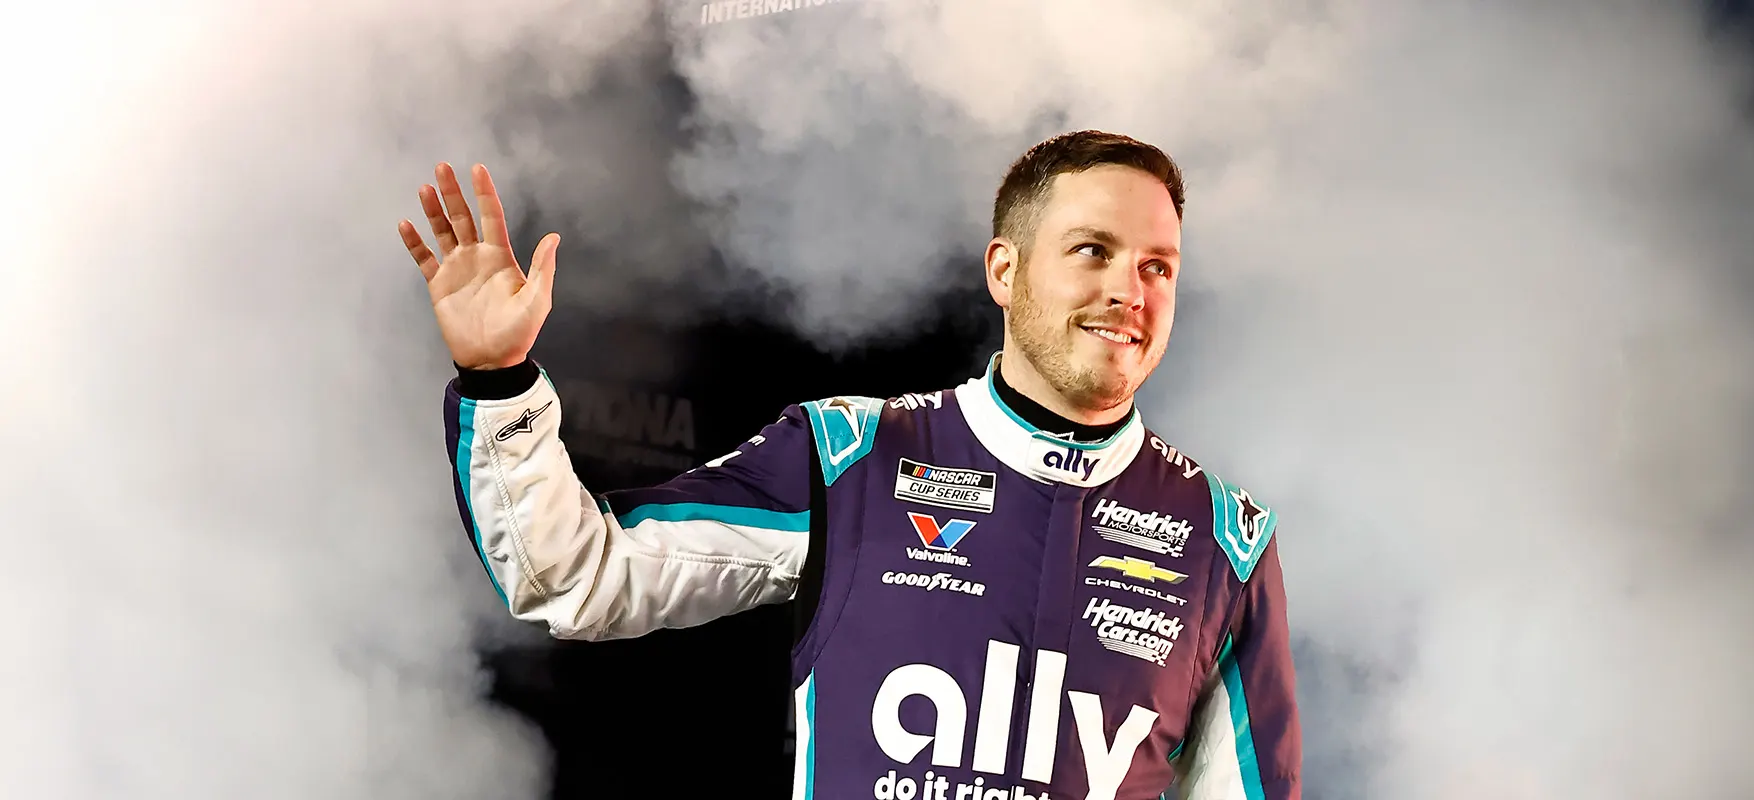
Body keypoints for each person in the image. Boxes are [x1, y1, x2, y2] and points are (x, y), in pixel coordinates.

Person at [400, 131, 1301, 800]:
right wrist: (499, 381)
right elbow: (580, 577)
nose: (1128, 291)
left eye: (1158, 267)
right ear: (1004, 268)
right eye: (1092, 251)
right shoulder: (854, 458)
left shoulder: (1226, 540)